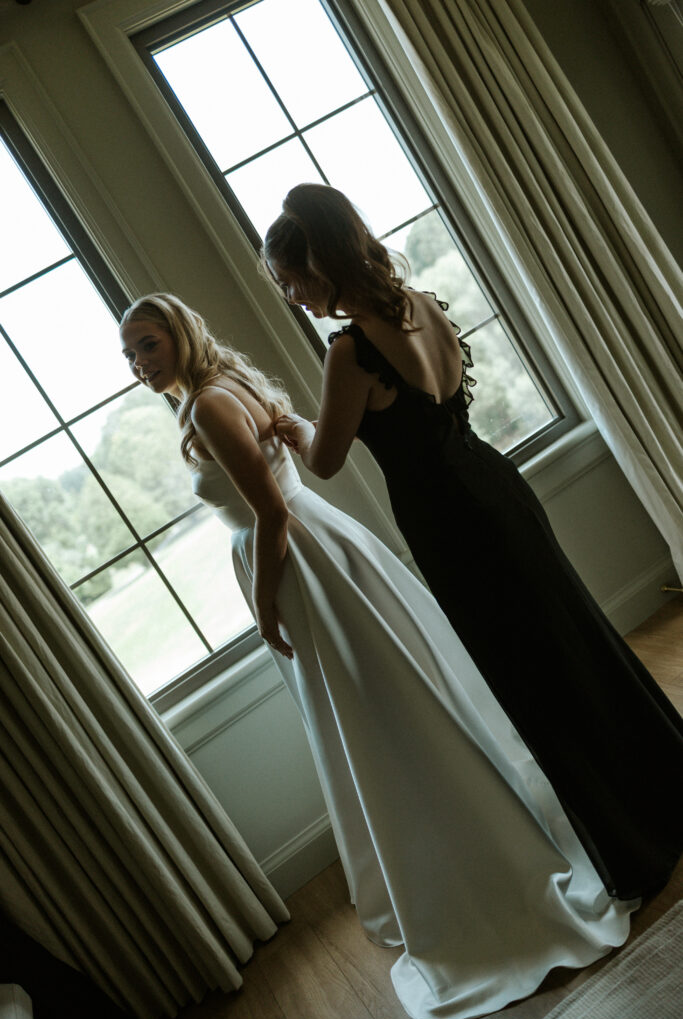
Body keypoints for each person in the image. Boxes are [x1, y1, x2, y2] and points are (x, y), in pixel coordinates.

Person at [118, 293, 637, 1019]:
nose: (138, 363)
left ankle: (471, 867)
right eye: (128, 353)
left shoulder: (206, 405)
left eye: (147, 344)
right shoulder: (227, 384)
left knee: (378, 716)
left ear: (178, 334)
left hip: (300, 564)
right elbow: (291, 461)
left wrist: (264, 604)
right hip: (325, 548)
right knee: (393, 704)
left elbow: (268, 511)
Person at [265, 182, 683, 903]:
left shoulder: (349, 351)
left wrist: (283, 424)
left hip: (451, 522)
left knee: (532, 677)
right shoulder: (421, 304)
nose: (290, 295)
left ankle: (632, 838)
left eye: (292, 280)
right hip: (495, 486)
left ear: (320, 265)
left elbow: (325, 459)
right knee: (578, 642)